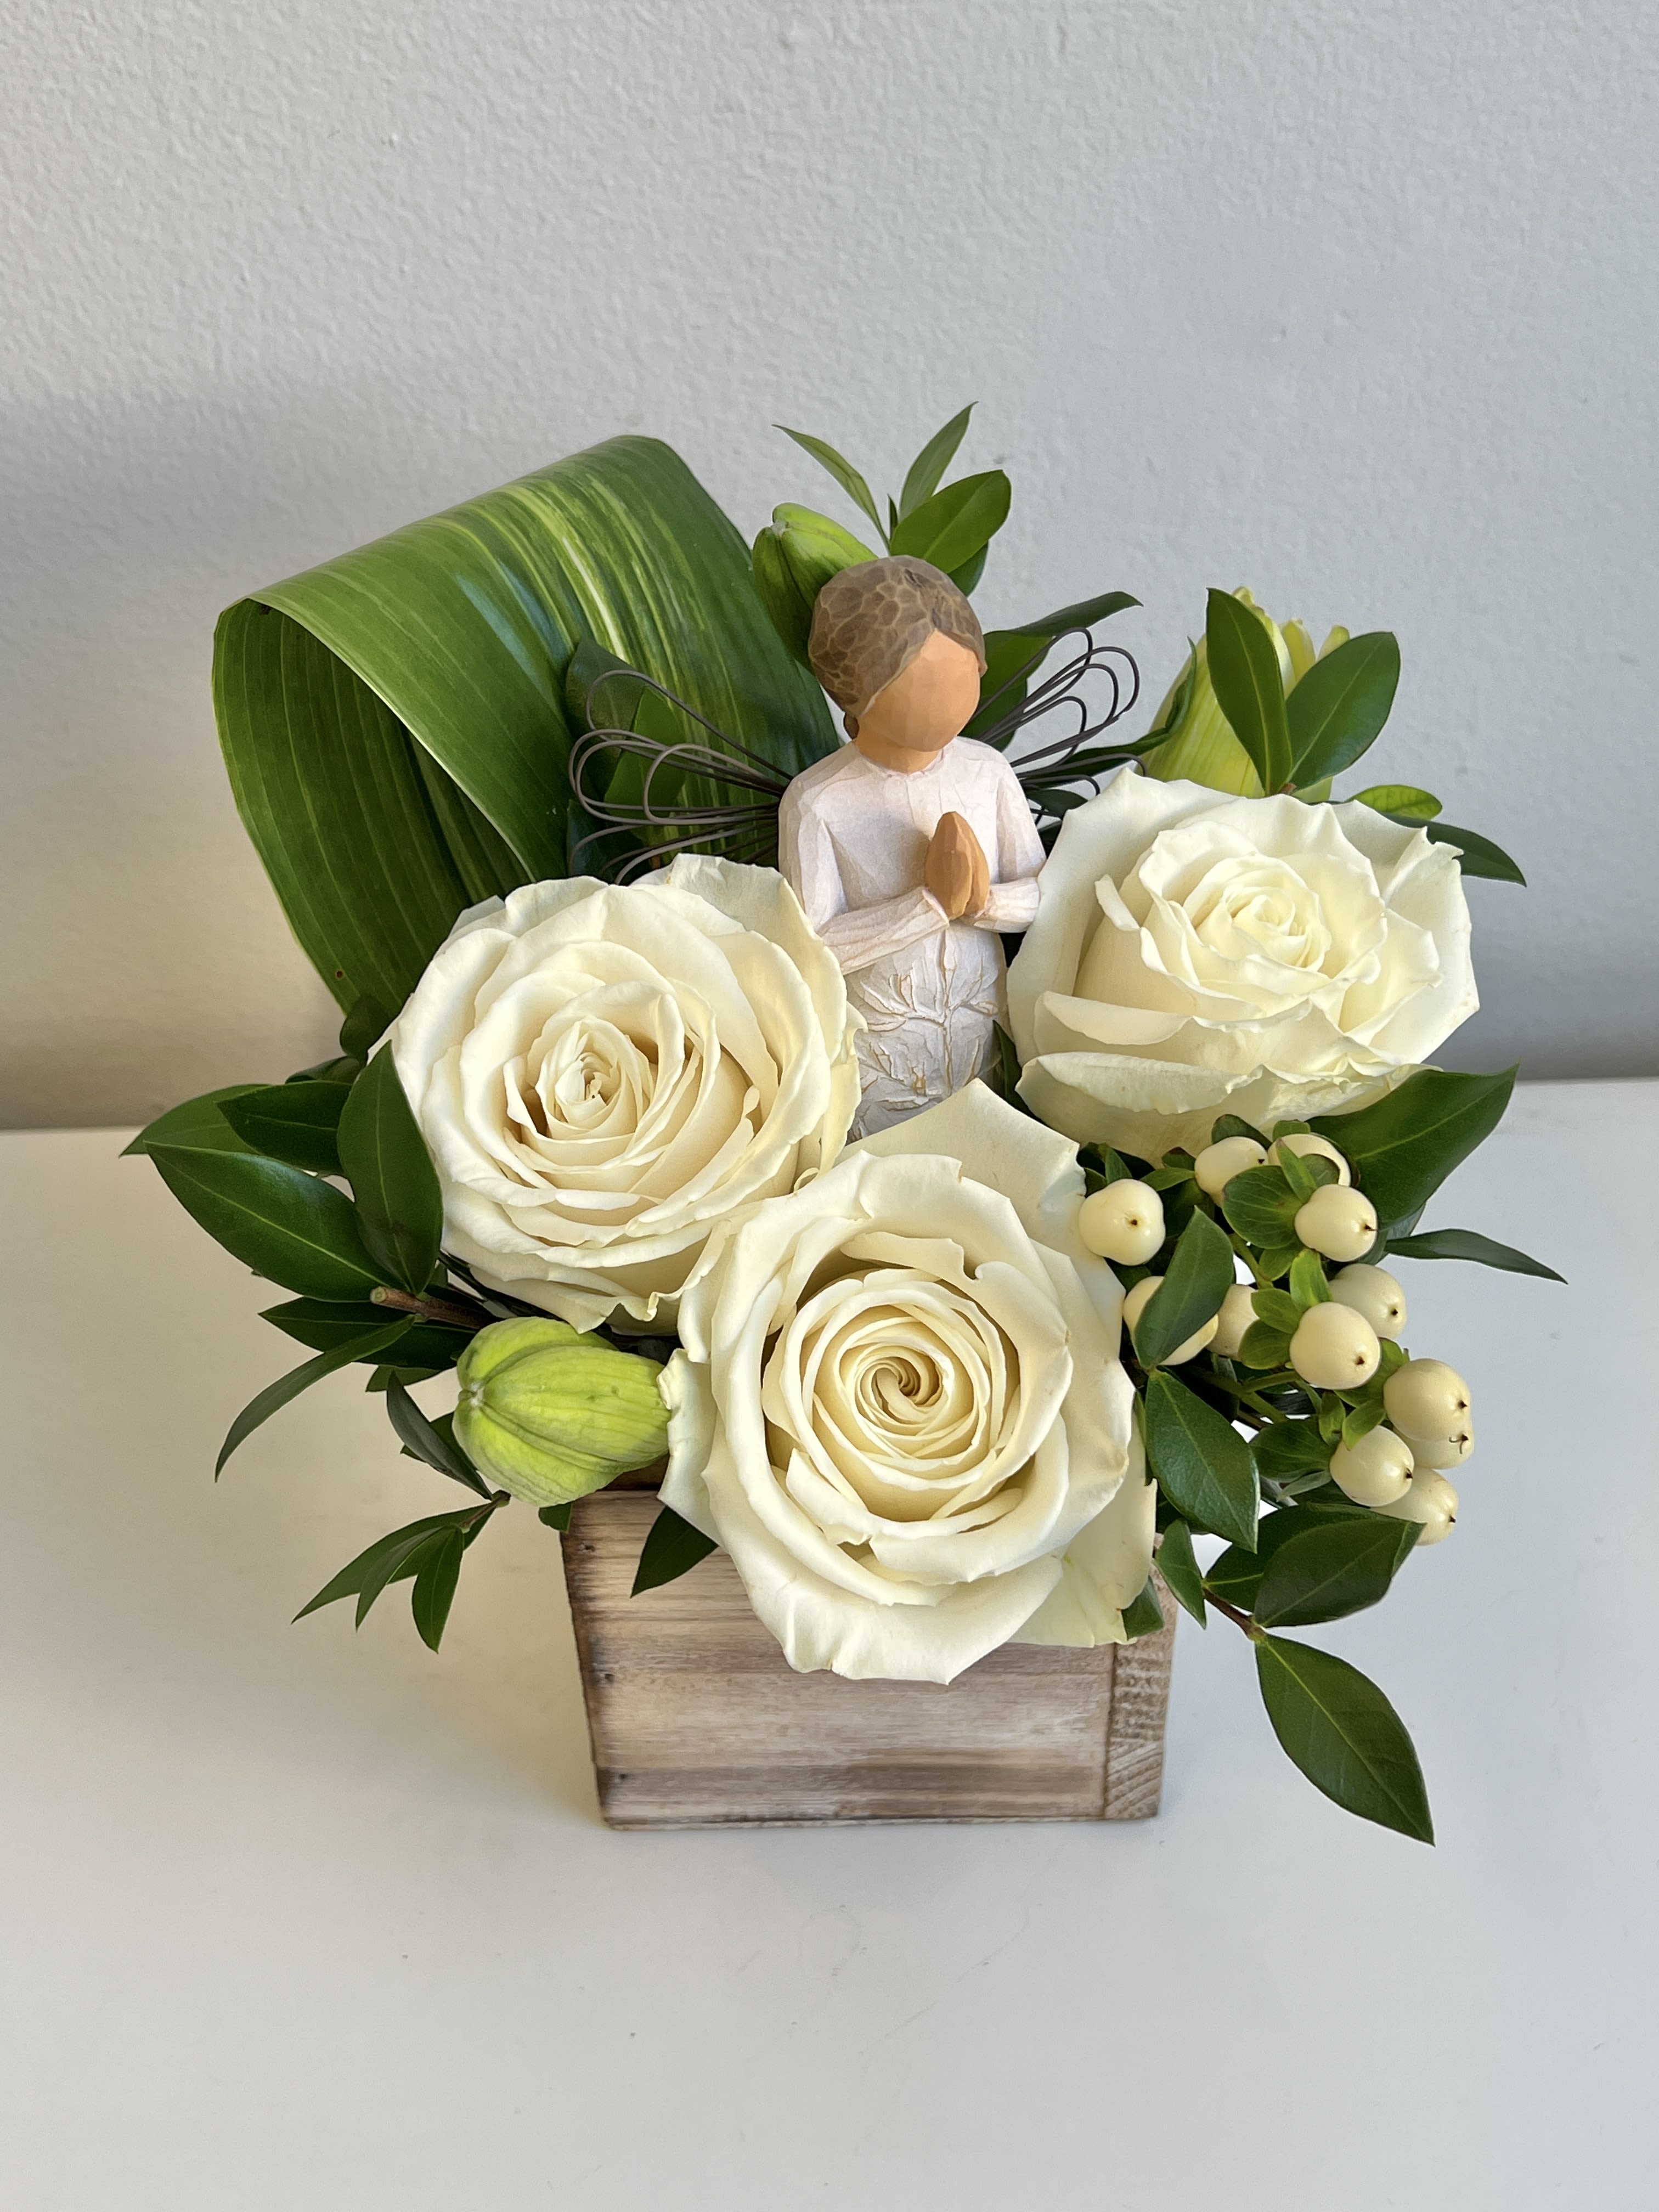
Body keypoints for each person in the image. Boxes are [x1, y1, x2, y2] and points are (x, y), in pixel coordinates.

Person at [778, 556, 1045, 1137]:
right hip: (882, 1053)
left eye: (963, 673)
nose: (946, 699)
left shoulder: (987, 773)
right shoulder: (818, 800)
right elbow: (814, 946)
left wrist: (982, 904)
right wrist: (928, 907)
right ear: (855, 689)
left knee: (995, 1154)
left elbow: (1046, 895)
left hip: (985, 1039)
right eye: (919, 682)